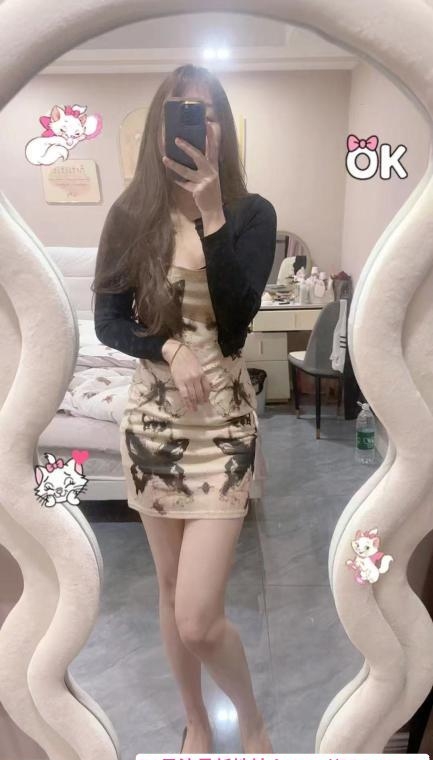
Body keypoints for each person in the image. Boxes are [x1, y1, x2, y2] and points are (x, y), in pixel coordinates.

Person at [92, 64, 277, 754]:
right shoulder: (129, 217)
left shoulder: (252, 214)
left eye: (208, 113)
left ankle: (250, 719)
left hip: (223, 432)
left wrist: (211, 213)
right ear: (159, 128)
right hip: (152, 429)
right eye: (182, 112)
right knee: (170, 592)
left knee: (200, 617)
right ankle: (195, 721)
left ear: (222, 129)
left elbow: (236, 320)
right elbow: (109, 322)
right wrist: (167, 347)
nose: (197, 126)